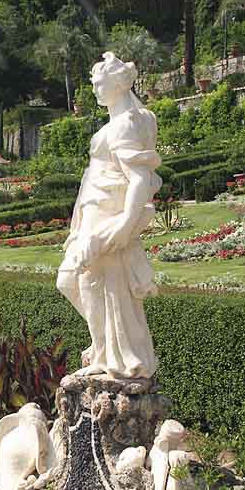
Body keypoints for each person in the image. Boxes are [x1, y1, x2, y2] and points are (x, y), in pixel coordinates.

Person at [56, 52, 161, 380]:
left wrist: (127, 222)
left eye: (101, 84)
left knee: (87, 281)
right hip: (94, 212)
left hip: (108, 214)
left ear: (117, 85)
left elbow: (140, 178)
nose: (97, 90)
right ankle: (104, 347)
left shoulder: (126, 124)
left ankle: (110, 354)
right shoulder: (118, 122)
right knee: (72, 281)